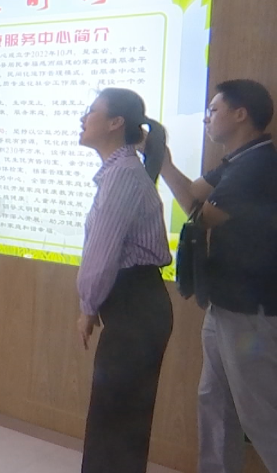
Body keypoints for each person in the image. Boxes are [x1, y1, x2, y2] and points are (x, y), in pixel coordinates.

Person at [158, 79, 277, 473]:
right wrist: (162, 161)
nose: (207, 118)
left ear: (240, 114)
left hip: (250, 311)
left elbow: (202, 216)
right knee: (215, 401)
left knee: (259, 412)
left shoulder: (258, 165)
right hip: (225, 304)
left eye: (213, 110)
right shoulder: (237, 160)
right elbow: (194, 194)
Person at [76, 88, 173, 473]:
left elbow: (102, 252)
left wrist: (87, 306)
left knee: (117, 418)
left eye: (91, 111)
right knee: (117, 415)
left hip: (136, 305)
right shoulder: (122, 171)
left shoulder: (123, 175)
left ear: (116, 123)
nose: (83, 118)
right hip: (135, 305)